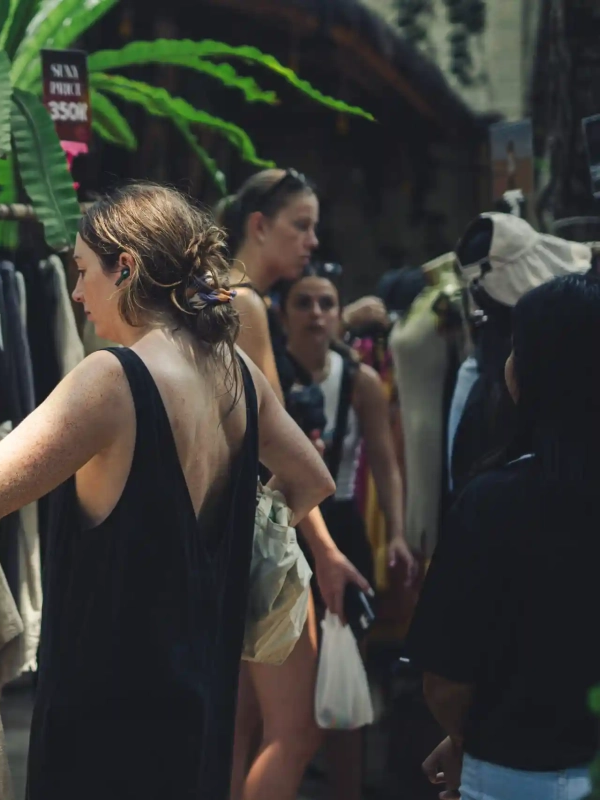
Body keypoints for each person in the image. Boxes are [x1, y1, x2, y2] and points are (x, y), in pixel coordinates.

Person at [0, 183, 336, 798]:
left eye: (83, 271)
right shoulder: (233, 371)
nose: (78, 292)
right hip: (199, 703)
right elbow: (311, 482)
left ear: (126, 268)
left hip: (107, 711)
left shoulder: (112, 379)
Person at [407, 273, 600, 800]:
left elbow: (445, 682)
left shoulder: (492, 504)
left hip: (512, 778)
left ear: (533, 374)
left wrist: (469, 737)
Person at [217, 168, 372, 800]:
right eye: (300, 226)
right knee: (298, 732)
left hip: (219, 535)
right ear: (259, 226)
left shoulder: (212, 295)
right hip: (260, 539)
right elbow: (280, 456)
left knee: (240, 728)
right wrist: (328, 553)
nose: (312, 241)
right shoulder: (245, 303)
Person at [277, 265, 418, 800]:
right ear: (284, 312)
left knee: (345, 671)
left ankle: (346, 789)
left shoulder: (358, 378)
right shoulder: (272, 371)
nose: (316, 314)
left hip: (341, 526)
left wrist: (398, 535)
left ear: (341, 314)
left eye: (326, 304)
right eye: (304, 303)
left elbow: (385, 463)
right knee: (281, 675)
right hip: (283, 528)